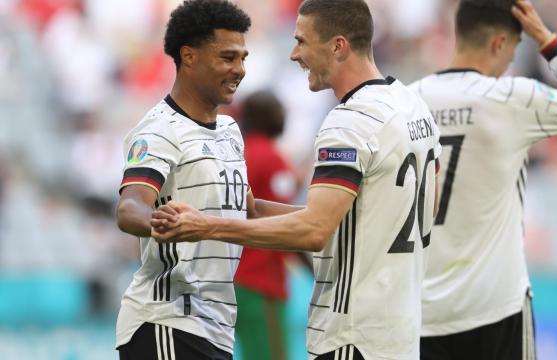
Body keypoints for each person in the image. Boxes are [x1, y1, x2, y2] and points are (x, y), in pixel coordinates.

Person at [151, 0, 442, 359]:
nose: (294, 54)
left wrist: (207, 226)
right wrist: (257, 211)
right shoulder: (411, 104)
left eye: (302, 41)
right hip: (400, 331)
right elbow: (425, 202)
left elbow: (313, 231)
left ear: (338, 46)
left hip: (352, 335)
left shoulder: (350, 121)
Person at [408, 1, 557, 359]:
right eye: (515, 49)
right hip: (496, 304)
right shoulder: (512, 97)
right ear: (498, 43)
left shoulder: (407, 100)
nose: (510, 63)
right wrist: (546, 39)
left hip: (423, 311)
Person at [114, 1, 252, 359]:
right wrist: (162, 222)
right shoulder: (160, 129)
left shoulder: (229, 130)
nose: (239, 70)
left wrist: (323, 216)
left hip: (213, 326)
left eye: (242, 58)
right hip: (167, 321)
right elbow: (130, 207)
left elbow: (247, 210)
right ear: (188, 56)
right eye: (227, 57)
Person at [233, 90, 309, 360]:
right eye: (279, 110)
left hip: (238, 277)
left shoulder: (242, 152)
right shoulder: (271, 158)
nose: (284, 116)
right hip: (262, 279)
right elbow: (285, 225)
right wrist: (316, 270)